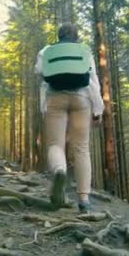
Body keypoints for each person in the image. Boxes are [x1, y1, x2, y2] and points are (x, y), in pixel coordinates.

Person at [35, 23, 104, 213]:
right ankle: (84, 200)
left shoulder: (47, 50)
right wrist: (98, 110)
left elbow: (39, 71)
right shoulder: (84, 50)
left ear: (59, 36)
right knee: (81, 148)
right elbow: (93, 80)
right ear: (76, 36)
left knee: (55, 144)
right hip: (81, 99)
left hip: (55, 98)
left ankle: (59, 170)